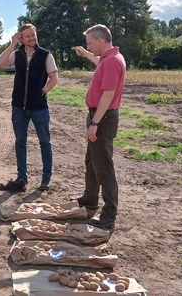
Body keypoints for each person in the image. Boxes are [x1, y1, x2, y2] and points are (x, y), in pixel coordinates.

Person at [71, 24, 127, 231]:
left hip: (102, 119)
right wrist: (86, 54)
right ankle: (89, 200)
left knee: (104, 167)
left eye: (90, 42)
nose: (89, 46)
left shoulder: (112, 61)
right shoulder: (108, 58)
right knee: (92, 162)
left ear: (101, 40)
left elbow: (108, 94)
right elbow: (98, 62)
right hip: (99, 117)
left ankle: (108, 215)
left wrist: (94, 123)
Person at [0, 23, 58, 192]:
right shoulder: (17, 54)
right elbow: (1, 64)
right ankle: (22, 177)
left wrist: (43, 91)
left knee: (45, 142)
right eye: (28, 36)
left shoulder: (46, 55)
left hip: (39, 107)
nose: (32, 38)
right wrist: (11, 45)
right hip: (19, 107)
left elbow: (54, 78)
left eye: (33, 35)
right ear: (21, 38)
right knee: (20, 142)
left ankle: (46, 178)